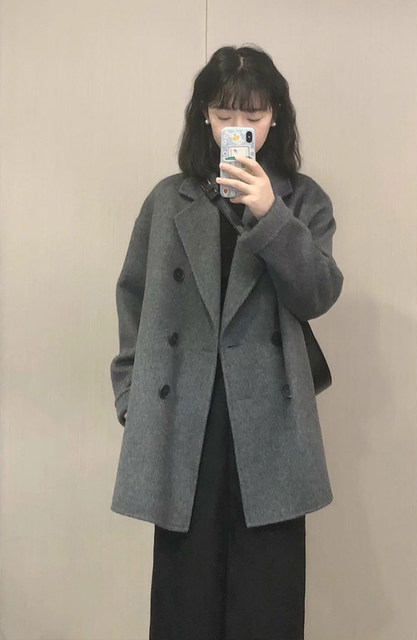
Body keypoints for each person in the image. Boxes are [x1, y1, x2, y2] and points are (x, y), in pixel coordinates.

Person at [110, 43, 344, 640]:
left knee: (268, 605)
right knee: (184, 605)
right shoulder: (170, 199)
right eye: (225, 114)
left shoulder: (303, 200)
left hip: (269, 425)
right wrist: (131, 395)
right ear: (205, 118)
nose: (239, 128)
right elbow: (133, 295)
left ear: (275, 118)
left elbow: (318, 294)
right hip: (182, 420)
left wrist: (271, 215)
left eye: (254, 115)